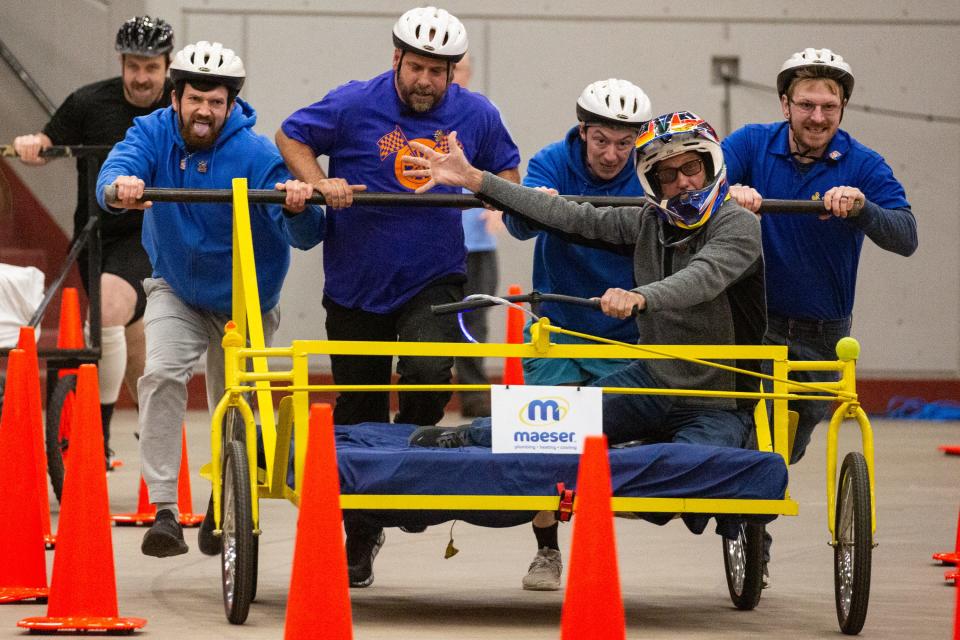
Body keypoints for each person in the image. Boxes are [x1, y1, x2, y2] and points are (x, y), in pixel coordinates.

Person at [405, 111, 766, 591]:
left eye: (690, 169)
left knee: (688, 479)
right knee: (545, 422)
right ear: (653, 182)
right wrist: (474, 178)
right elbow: (569, 215)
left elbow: (703, 277)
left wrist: (643, 295)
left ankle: (633, 459)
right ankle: (466, 437)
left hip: (717, 400)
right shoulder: (650, 222)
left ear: (710, 165)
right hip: (651, 380)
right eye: (667, 173)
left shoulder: (737, 225)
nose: (681, 183)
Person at [275, 6, 521, 588]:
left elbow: (509, 173)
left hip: (433, 278)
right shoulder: (355, 102)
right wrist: (317, 181)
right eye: (417, 68)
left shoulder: (476, 114)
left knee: (432, 370)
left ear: (452, 72)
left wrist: (476, 182)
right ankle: (361, 534)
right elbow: (292, 133)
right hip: (356, 285)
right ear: (396, 60)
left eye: (439, 71)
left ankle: (410, 469)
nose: (427, 81)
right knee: (358, 410)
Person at [96, 41, 324, 558]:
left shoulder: (257, 154)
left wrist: (295, 207)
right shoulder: (151, 133)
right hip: (176, 289)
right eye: (196, 98)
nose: (204, 111)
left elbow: (308, 235)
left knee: (235, 404)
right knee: (158, 374)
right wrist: (120, 187)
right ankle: (164, 511)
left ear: (230, 104)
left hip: (245, 299)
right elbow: (114, 175)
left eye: (216, 102)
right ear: (175, 96)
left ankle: (227, 499)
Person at [723, 48, 917, 465]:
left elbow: (906, 236)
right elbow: (694, 185)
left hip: (821, 335)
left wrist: (863, 207)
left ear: (843, 106)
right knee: (747, 433)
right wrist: (726, 194)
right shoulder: (752, 144)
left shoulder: (862, 163)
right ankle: (743, 525)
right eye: (806, 105)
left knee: (786, 446)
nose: (817, 117)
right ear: (785, 104)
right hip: (755, 322)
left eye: (829, 106)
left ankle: (748, 521)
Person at [506, 77, 651, 589]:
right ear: (583, 130)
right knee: (546, 439)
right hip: (557, 324)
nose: (612, 155)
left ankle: (604, 519)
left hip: (623, 331)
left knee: (612, 437)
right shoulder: (552, 161)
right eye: (601, 141)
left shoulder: (649, 174)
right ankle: (547, 551)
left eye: (624, 143)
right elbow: (519, 228)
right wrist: (533, 203)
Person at [12, 15, 175, 470]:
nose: (142, 78)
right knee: (135, 345)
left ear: (167, 67)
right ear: (122, 64)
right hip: (95, 235)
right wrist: (33, 144)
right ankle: (158, 436)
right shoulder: (89, 101)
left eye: (151, 68)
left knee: (109, 310)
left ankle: (93, 438)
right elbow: (48, 141)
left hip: (149, 235)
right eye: (133, 67)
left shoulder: (180, 108)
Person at [450, 52, 503, 418]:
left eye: (459, 70)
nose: (453, 76)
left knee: (476, 318)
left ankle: (472, 391)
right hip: (437, 239)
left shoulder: (484, 114)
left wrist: (500, 207)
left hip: (478, 240)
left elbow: (503, 167)